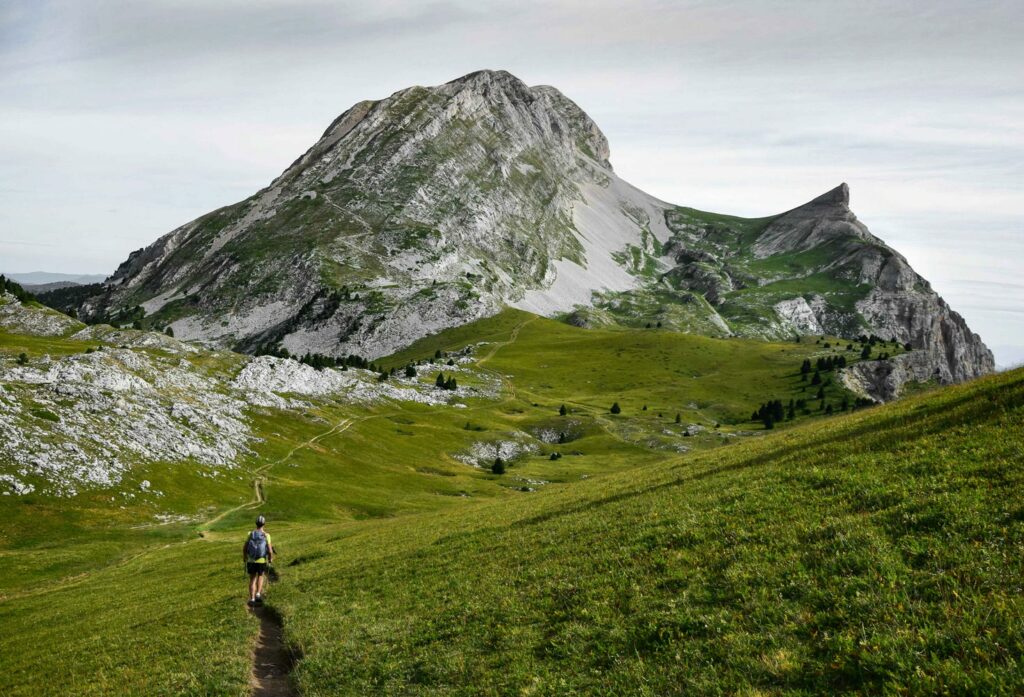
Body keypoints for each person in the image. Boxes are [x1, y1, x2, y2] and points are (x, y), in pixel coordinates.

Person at [242, 514, 274, 606]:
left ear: (256, 523)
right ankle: (258, 594)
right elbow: (270, 550)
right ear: (264, 524)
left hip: (251, 560)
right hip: (261, 560)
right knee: (260, 576)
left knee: (252, 579)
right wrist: (270, 558)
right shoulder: (266, 535)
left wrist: (245, 557)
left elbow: (244, 548)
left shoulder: (250, 534)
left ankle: (252, 599)